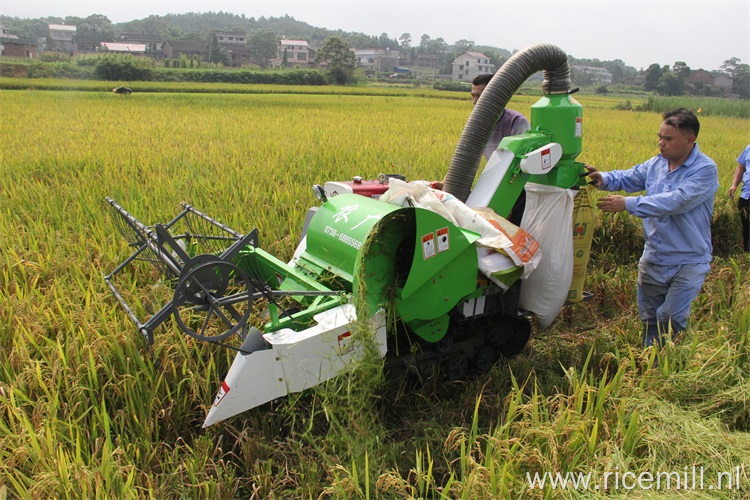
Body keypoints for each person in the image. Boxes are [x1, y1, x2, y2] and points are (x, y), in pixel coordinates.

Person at [585, 108, 718, 347]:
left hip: (688, 260)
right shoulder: (656, 165)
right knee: (649, 319)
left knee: (670, 316)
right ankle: (654, 365)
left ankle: (673, 360)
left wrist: (628, 203)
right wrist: (602, 178)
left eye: (668, 139)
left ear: (690, 140)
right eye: (660, 137)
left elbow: (677, 200)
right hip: (655, 256)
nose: (661, 143)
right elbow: (629, 177)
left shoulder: (705, 170)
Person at [433, 74, 530, 225]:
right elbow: (465, 157)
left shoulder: (516, 122)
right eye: (473, 96)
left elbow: (519, 166)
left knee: (511, 231)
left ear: (496, 95)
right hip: (492, 183)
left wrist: (506, 201)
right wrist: (445, 182)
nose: (475, 101)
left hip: (517, 187)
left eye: (480, 96)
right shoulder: (479, 123)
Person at [728, 144, 750, 252]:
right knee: (746, 226)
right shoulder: (749, 148)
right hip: (746, 195)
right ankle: (747, 253)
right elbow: (741, 167)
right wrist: (734, 185)